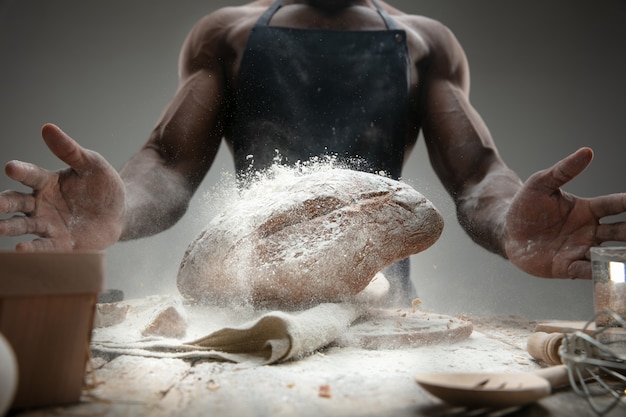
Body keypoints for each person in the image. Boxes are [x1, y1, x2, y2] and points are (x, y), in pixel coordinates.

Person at [1, 0, 624, 303]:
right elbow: (166, 162)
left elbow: (479, 176)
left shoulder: (425, 43)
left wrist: (515, 225)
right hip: (243, 300)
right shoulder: (229, 35)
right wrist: (116, 211)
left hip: (380, 308)